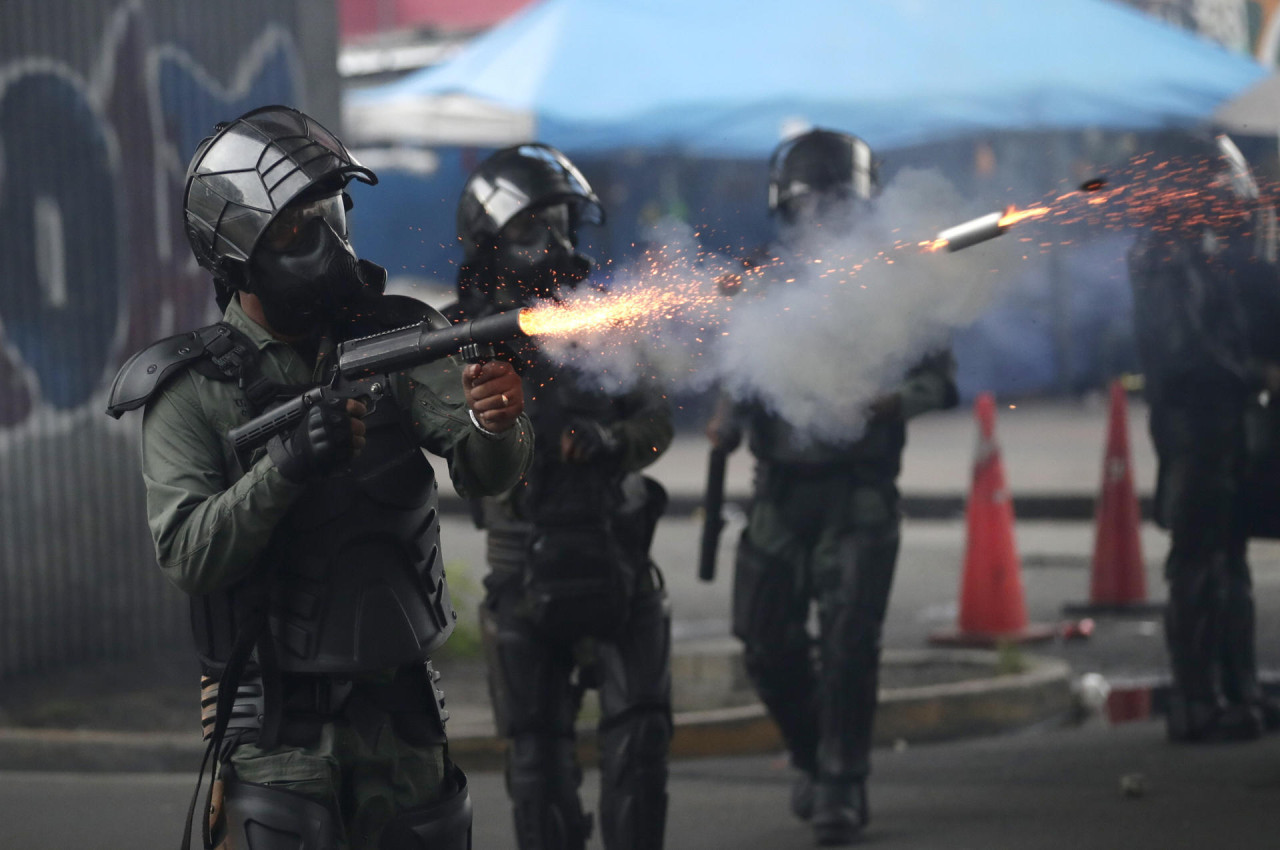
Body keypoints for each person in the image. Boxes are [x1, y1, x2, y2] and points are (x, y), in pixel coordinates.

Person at [106, 105, 533, 850]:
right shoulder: (191, 389)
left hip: (402, 721)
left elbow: (483, 472)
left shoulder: (394, 338)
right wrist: (289, 465)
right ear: (238, 250)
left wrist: (495, 423)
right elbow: (186, 553)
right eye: (300, 229)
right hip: (279, 734)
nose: (330, 244)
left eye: (333, 214)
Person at [706, 128, 958, 846]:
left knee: (850, 644)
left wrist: (886, 401)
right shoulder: (765, 280)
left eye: (835, 204)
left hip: (858, 490)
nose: (822, 218)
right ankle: (813, 757)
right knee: (764, 641)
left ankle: (843, 783)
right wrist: (727, 416)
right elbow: (743, 368)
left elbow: (938, 380)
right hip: (780, 490)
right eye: (810, 204)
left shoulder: (899, 283)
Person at [447, 143, 675, 850]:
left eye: (560, 223)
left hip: (615, 550)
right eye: (530, 227)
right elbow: (451, 449)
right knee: (536, 757)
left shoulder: (603, 319)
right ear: (490, 240)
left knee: (640, 739)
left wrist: (612, 445)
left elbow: (657, 424)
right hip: (521, 563)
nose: (553, 244)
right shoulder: (464, 340)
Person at [1128, 133, 1280, 744]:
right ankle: (1197, 699)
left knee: (1229, 559)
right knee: (1199, 561)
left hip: (1225, 421)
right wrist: (1258, 373)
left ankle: (1238, 691)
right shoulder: (1167, 255)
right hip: (1195, 425)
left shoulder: (1205, 252)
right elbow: (1185, 354)